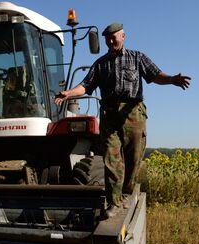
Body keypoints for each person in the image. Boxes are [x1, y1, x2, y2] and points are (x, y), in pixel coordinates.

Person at [55, 22, 191, 217]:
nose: (111, 41)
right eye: (107, 39)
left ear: (123, 36)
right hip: (109, 114)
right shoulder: (101, 64)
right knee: (111, 157)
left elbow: (154, 75)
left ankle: (126, 194)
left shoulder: (137, 58)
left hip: (133, 112)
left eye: (114, 37)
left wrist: (171, 79)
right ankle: (114, 202)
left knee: (133, 157)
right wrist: (68, 93)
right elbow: (86, 85)